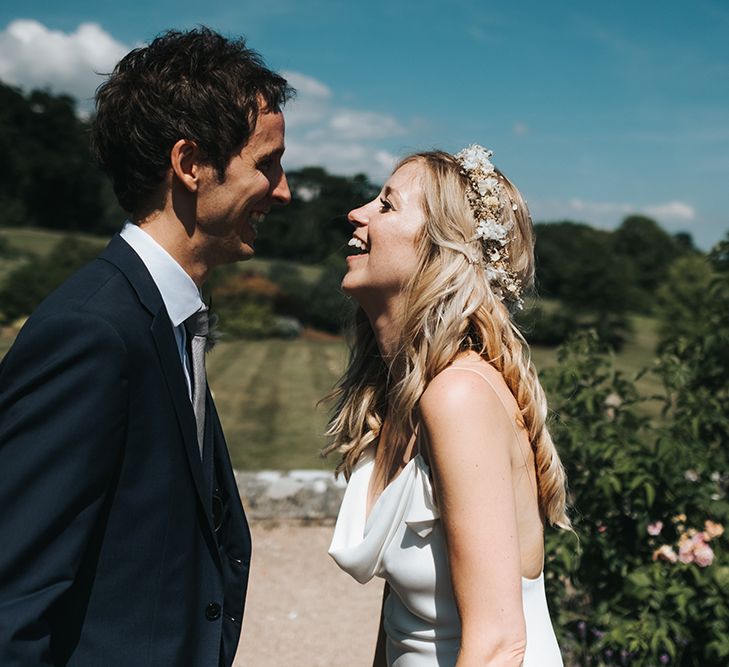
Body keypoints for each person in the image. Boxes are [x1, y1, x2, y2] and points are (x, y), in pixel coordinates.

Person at [0, 28, 292, 666]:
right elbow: (11, 601)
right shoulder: (91, 333)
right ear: (190, 166)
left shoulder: (164, 314)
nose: (284, 190)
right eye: (266, 163)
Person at [327, 145, 569, 666]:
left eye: (386, 205)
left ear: (441, 250)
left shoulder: (458, 396)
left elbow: (500, 644)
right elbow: (401, 618)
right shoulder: (402, 396)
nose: (357, 212)